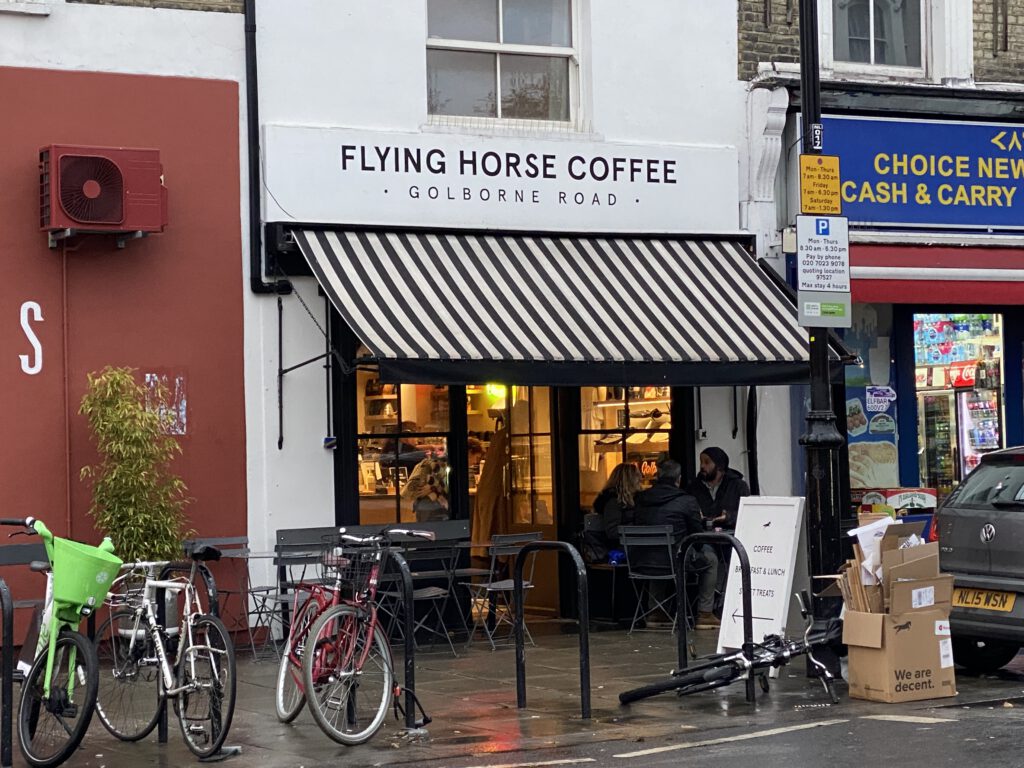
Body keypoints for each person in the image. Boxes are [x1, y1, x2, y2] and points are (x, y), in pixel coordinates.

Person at [633, 459, 720, 629]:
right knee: (711, 559)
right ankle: (705, 613)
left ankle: (655, 612)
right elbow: (697, 536)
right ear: (678, 479)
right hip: (674, 561)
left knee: (658, 553)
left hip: (641, 560)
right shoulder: (687, 501)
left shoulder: (641, 498)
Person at [687, 447, 751, 530]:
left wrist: (728, 517)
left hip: (731, 538)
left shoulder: (738, 486)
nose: (702, 466)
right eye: (701, 462)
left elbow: (748, 513)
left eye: (707, 462)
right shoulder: (693, 487)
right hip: (701, 537)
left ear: (719, 466)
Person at [591, 463, 642, 548]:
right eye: (637, 475)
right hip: (619, 549)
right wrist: (636, 529)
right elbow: (612, 531)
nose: (640, 478)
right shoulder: (613, 502)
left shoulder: (635, 500)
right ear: (628, 479)